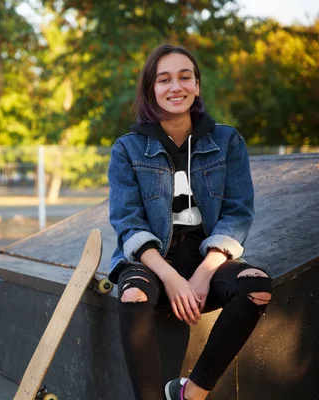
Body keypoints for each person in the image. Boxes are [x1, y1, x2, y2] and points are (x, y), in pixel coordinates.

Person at [106, 44, 273, 400]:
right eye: (164, 79)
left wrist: (202, 273)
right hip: (151, 260)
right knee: (133, 293)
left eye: (185, 77)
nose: (175, 87)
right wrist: (170, 277)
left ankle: (191, 392)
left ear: (197, 85)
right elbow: (128, 224)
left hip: (207, 256)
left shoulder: (227, 140)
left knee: (256, 286)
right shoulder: (127, 148)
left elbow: (238, 212)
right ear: (151, 89)